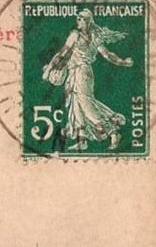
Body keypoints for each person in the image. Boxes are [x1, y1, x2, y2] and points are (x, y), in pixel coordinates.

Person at [42, 10, 134, 151]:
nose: (77, 20)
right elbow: (107, 55)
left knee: (86, 104)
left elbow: (62, 53)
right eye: (77, 18)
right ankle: (82, 140)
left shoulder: (76, 35)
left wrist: (48, 69)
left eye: (81, 18)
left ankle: (112, 133)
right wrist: (122, 62)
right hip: (77, 72)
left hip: (80, 72)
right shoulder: (93, 36)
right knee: (76, 105)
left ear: (88, 21)